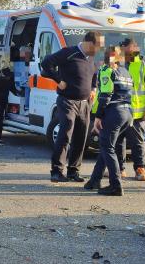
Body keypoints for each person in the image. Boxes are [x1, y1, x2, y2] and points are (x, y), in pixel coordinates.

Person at [41, 31, 104, 183]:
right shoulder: (68, 53)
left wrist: (93, 89)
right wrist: (58, 80)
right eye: (98, 46)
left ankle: (73, 171)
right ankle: (56, 171)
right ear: (89, 43)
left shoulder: (91, 57)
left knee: (81, 137)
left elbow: (94, 73)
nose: (99, 50)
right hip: (67, 101)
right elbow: (46, 63)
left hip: (84, 103)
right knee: (65, 132)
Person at [84, 46, 133, 196]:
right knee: (107, 146)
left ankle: (115, 185)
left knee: (107, 147)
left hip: (114, 112)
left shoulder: (107, 70)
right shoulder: (125, 72)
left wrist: (98, 116)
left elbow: (105, 95)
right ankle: (94, 180)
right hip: (127, 113)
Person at [115, 38, 145, 181]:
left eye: (126, 49)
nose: (123, 53)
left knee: (137, 142)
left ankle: (140, 169)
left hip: (137, 112)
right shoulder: (116, 61)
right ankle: (119, 169)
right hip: (119, 109)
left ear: (134, 48)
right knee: (118, 140)